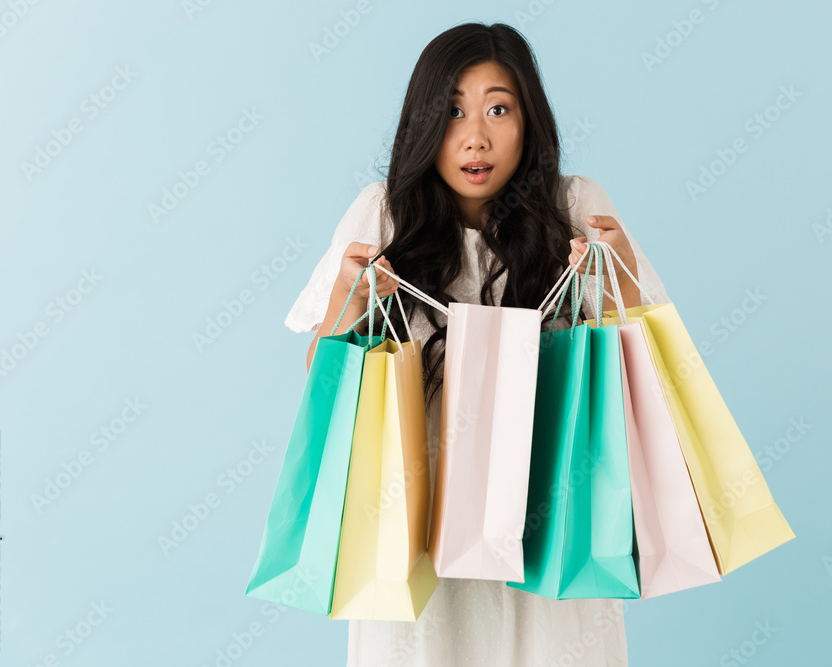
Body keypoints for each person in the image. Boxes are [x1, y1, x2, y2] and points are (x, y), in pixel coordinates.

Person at [284, 21, 670, 667]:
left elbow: (642, 384)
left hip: (549, 525)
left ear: (529, 121)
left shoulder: (575, 208)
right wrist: (349, 302)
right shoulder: (384, 215)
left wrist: (618, 289)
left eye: (498, 108)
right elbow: (324, 386)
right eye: (453, 110)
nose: (475, 136)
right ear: (423, 123)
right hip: (417, 529)